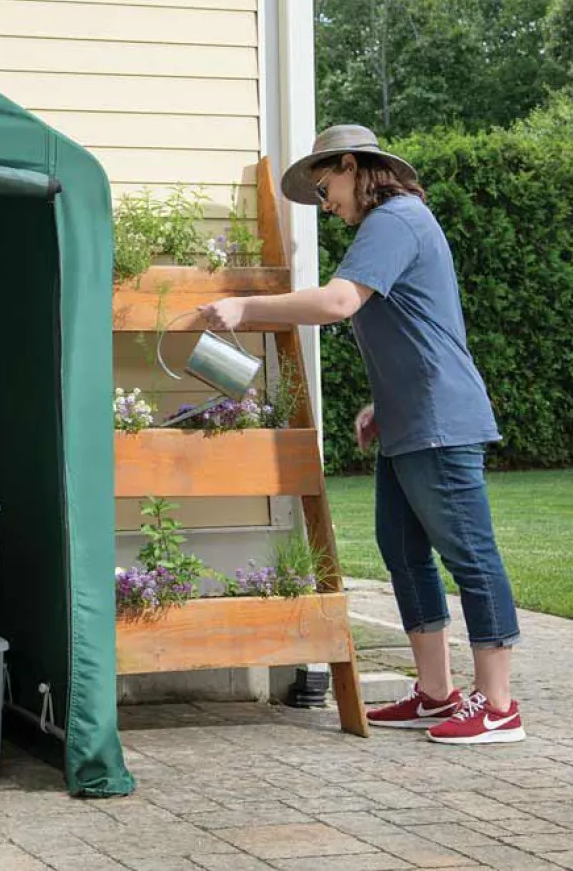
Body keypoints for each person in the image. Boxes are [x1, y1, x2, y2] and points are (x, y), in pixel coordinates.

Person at [198, 124, 524, 745]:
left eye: (326, 189)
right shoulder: (392, 225)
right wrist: (383, 401)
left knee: (470, 554)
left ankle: (500, 706)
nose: (326, 205)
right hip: (409, 418)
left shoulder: (395, 218)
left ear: (353, 167)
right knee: (401, 551)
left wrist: (245, 308)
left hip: (439, 423)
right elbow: (421, 324)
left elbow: (338, 303)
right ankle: (436, 692)